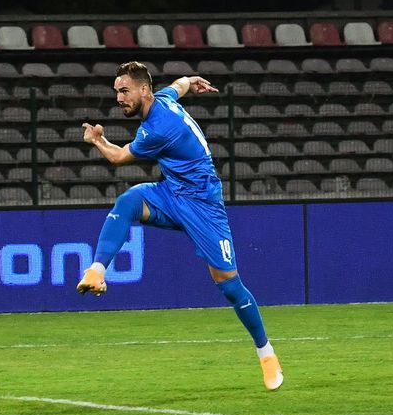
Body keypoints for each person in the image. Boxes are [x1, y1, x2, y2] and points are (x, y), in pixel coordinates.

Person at [75, 61, 284, 391]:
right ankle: (97, 269)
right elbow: (179, 85)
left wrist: (96, 140)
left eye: (124, 91)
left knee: (229, 286)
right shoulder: (163, 98)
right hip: (172, 192)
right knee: (129, 200)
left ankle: (266, 353)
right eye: (116, 91)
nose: (119, 98)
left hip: (203, 204)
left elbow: (117, 158)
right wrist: (192, 79)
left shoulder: (157, 128)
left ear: (143, 90)